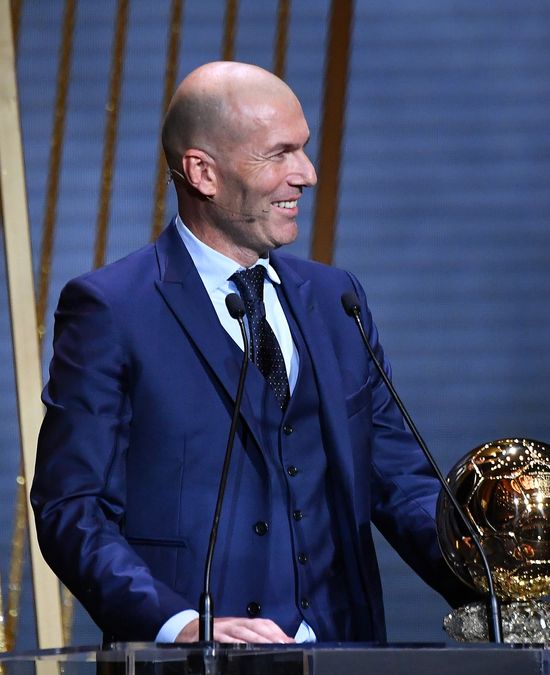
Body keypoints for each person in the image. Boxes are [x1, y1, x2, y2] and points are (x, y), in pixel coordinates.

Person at [31, 61, 474, 645]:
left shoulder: (335, 299)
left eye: (305, 150)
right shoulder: (111, 310)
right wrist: (180, 625)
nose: (307, 175)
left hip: (344, 655)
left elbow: (400, 484)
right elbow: (73, 508)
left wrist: (502, 595)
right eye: (280, 153)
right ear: (202, 173)